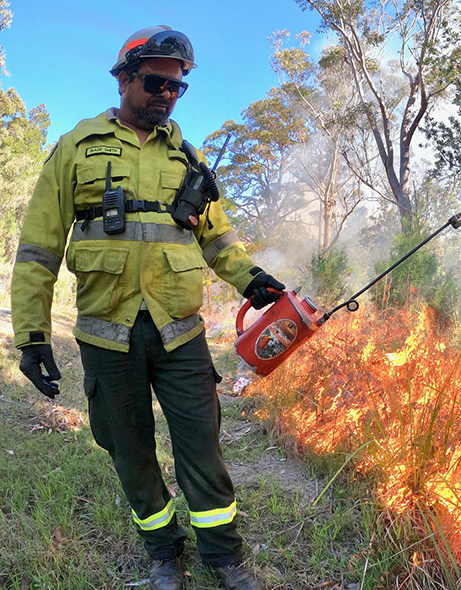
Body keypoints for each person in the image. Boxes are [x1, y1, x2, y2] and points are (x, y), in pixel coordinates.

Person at [11, 25, 284, 590]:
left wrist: (252, 279)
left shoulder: (191, 159)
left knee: (202, 449)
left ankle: (225, 558)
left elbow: (219, 240)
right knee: (129, 449)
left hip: (179, 332)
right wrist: (32, 335)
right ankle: (164, 553)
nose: (166, 93)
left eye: (178, 87)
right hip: (106, 333)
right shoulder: (75, 148)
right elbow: (38, 248)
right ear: (124, 79)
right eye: (156, 81)